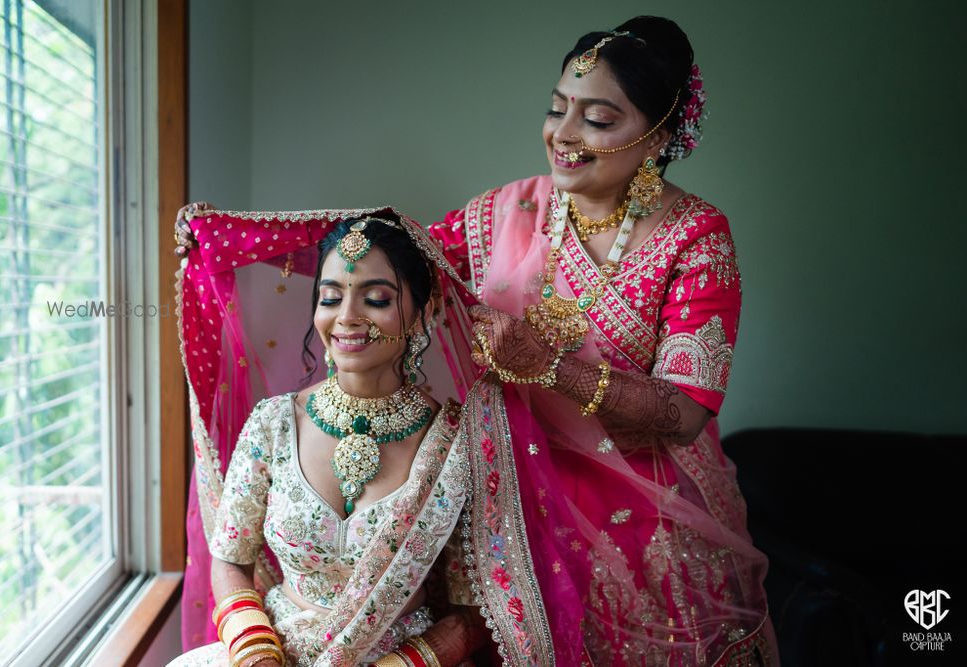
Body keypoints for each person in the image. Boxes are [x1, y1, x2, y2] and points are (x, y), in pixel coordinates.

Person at [176, 16, 777, 665]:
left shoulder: (695, 237)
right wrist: (234, 245)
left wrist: (549, 367)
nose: (564, 136)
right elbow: (388, 259)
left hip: (642, 524)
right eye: (556, 109)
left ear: (658, 135)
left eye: (597, 119)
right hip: (507, 507)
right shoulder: (511, 210)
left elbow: (683, 413)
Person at [170, 211, 487, 666]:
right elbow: (230, 560)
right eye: (331, 297)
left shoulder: (457, 442)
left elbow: (473, 609)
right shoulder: (275, 423)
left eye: (376, 299)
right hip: (274, 649)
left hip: (401, 658)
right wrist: (257, 652)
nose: (347, 318)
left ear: (425, 311)